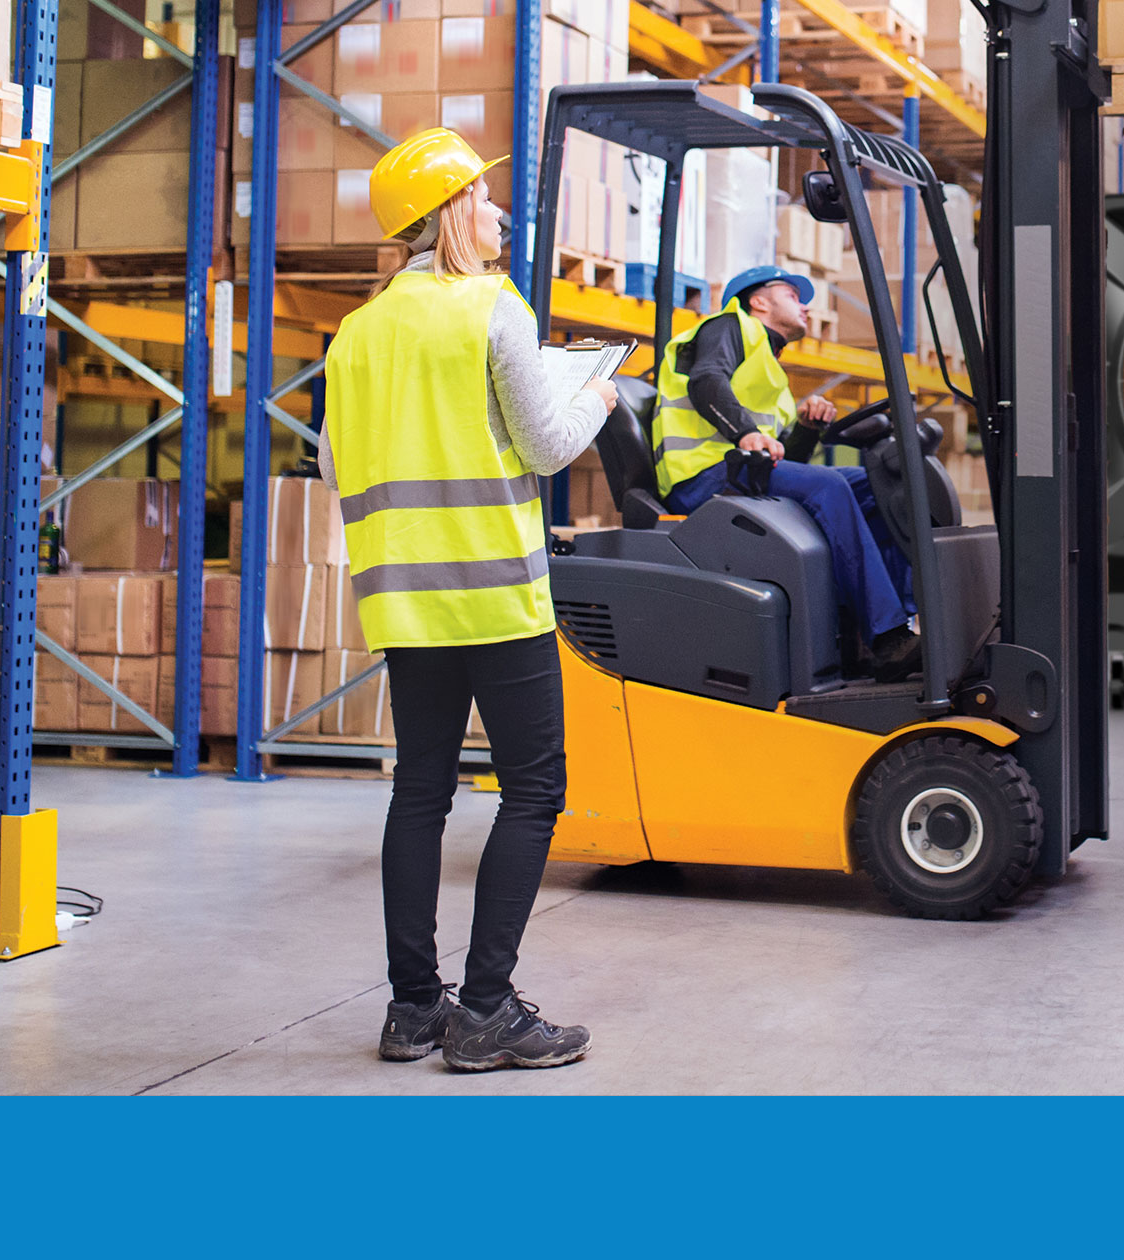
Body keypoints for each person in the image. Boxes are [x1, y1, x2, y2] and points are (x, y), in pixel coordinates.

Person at [319, 129, 616, 1072]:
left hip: (405, 603)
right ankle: (486, 1007)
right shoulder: (494, 308)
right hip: (495, 594)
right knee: (534, 792)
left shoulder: (357, 333)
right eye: (483, 198)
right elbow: (542, 444)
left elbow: (333, 461)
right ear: (451, 213)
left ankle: (413, 1010)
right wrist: (601, 401)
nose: (496, 211)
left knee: (420, 794)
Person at [654, 265, 921, 680]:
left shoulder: (770, 370)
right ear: (758, 301)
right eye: (794, 296)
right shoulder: (728, 327)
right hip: (701, 476)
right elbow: (706, 381)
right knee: (831, 485)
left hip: (741, 472)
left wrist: (807, 429)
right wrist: (745, 433)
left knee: (880, 485)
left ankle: (904, 622)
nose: (806, 307)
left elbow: (784, 458)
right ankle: (887, 637)